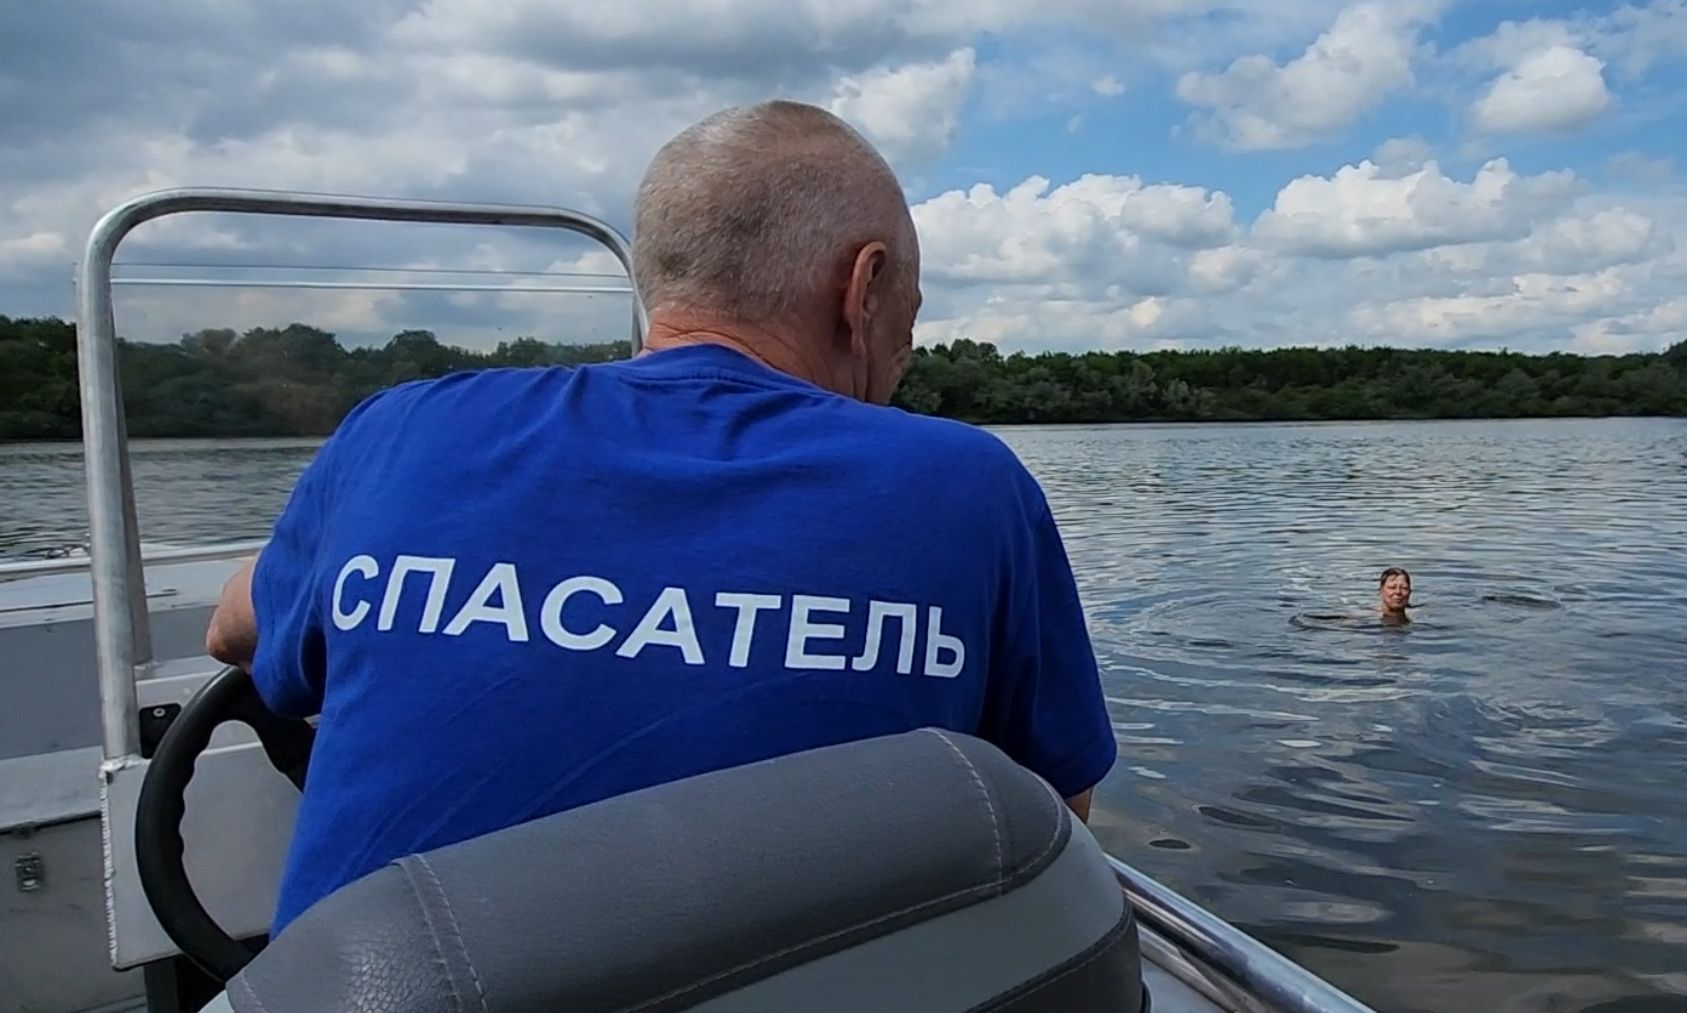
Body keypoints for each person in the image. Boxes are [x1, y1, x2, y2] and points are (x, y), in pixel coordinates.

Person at [202, 100, 1117, 934]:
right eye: (909, 319)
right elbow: (1049, 822)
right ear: (864, 288)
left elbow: (233, 630)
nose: (906, 355)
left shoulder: (399, 433)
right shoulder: (967, 487)